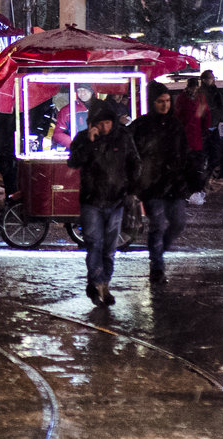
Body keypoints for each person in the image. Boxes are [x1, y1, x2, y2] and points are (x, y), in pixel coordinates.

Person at [67, 99, 139, 306]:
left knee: (109, 249)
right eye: (101, 123)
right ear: (92, 124)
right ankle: (100, 284)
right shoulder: (83, 138)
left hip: (115, 201)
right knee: (94, 245)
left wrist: (131, 190)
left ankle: (100, 283)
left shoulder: (123, 137)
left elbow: (135, 163)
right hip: (91, 201)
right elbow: (73, 162)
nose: (105, 127)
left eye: (108, 122)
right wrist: (90, 143)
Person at [131, 82, 193, 283]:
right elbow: (131, 149)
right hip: (151, 185)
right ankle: (157, 265)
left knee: (178, 223)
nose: (165, 105)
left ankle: (158, 252)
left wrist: (186, 176)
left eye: (167, 101)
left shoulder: (175, 125)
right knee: (157, 224)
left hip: (174, 184)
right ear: (152, 102)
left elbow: (184, 153)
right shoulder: (141, 125)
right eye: (160, 101)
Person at [201, 69, 223, 180]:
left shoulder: (216, 92)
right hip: (204, 128)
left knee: (215, 155)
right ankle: (203, 179)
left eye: (213, 78)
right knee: (203, 155)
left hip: (214, 127)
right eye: (210, 78)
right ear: (204, 80)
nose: (213, 80)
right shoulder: (201, 93)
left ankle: (208, 177)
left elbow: (221, 108)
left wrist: (217, 119)